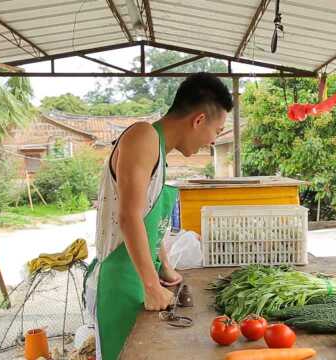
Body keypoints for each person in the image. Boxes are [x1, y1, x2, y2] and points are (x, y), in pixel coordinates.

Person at [84, 72, 233, 359]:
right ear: (199, 119)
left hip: (136, 278)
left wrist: (163, 265)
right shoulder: (143, 136)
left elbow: (146, 216)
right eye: (217, 130)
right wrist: (152, 286)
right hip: (118, 283)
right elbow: (128, 217)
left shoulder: (158, 149)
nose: (214, 141)